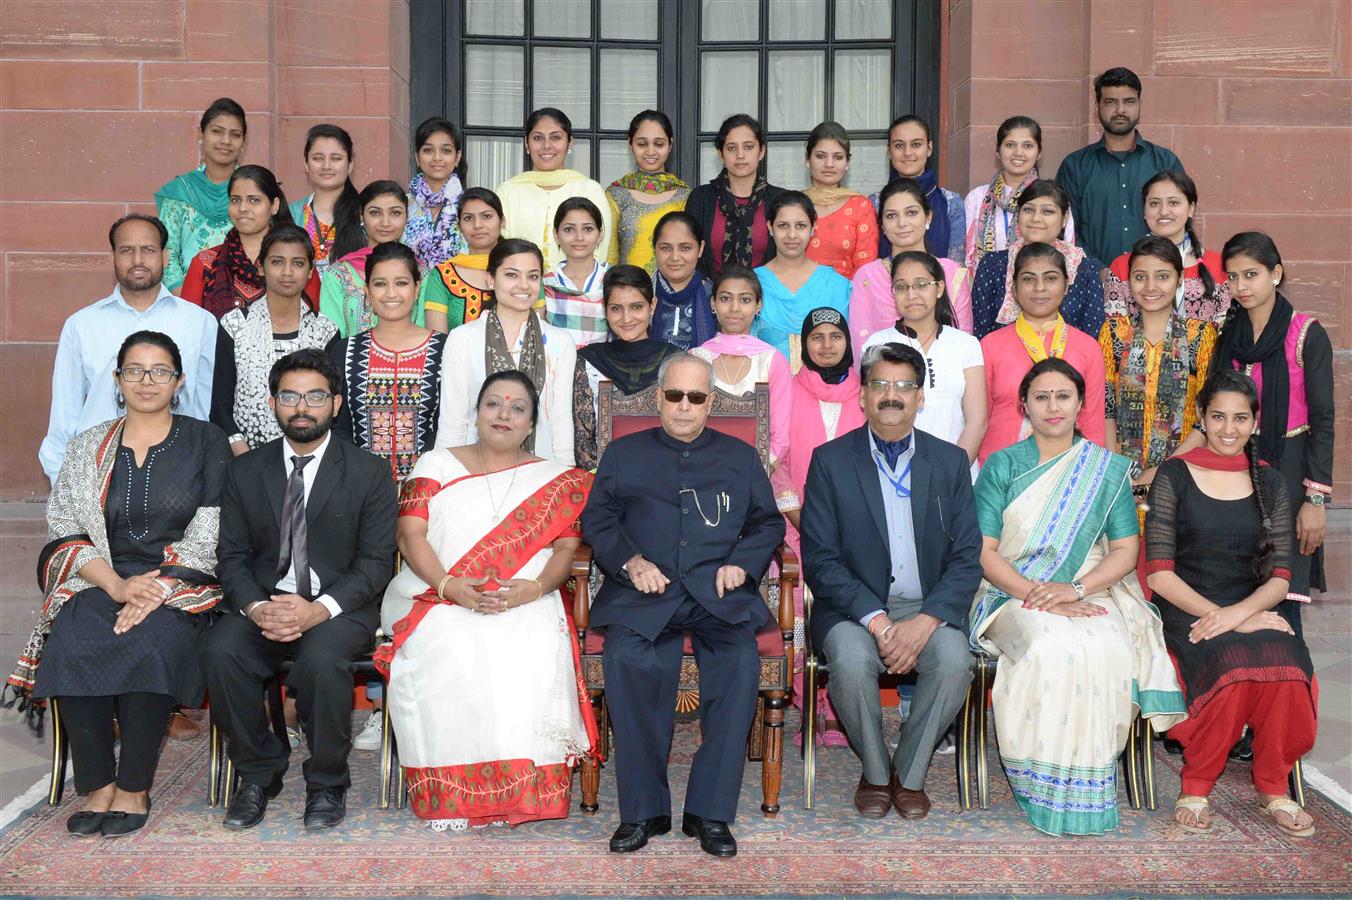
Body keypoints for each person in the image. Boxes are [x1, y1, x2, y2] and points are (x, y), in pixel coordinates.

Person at [7, 332, 229, 837]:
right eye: (134, 370)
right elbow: (65, 525)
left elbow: (214, 525)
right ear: (117, 379)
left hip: (181, 585)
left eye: (159, 371)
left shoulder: (205, 441)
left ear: (178, 381)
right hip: (100, 578)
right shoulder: (89, 445)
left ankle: (133, 785)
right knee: (73, 636)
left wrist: (155, 588)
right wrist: (115, 585)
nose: (146, 381)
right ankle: (97, 784)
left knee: (150, 641)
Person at [581, 353, 786, 857]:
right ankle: (643, 812)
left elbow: (768, 523)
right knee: (628, 660)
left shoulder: (739, 457)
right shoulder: (624, 453)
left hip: (718, 595)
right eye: (675, 396)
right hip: (644, 592)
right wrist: (631, 562)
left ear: (710, 402)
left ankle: (709, 814)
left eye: (697, 398)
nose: (685, 407)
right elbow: (597, 520)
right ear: (659, 398)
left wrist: (742, 562)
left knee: (738, 663)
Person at [970, 358, 1185, 836]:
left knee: (1106, 646)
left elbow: (1127, 550)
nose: (1052, 406)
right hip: (1010, 592)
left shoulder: (1105, 470)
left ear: (1081, 404)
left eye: (1063, 396)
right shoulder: (1001, 465)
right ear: (1024, 405)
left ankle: (1087, 782)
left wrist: (1075, 589)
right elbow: (984, 553)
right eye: (1041, 397)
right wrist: (1039, 594)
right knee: (1052, 646)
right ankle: (1040, 781)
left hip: (1091, 587)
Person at [376, 371, 597, 831]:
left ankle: (523, 791)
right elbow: (409, 534)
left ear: (531, 423)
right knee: (450, 643)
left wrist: (533, 590)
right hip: (436, 593)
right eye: (493, 404)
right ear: (476, 412)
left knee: (529, 642)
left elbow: (565, 551)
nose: (504, 415)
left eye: (518, 408)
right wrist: (449, 586)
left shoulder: (557, 479)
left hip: (529, 595)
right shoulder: (435, 464)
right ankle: (454, 791)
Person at [203, 348, 398, 831]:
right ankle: (257, 773)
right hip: (264, 603)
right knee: (220, 651)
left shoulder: (369, 472)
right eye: (290, 396)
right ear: (273, 403)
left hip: (339, 607)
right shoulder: (245, 471)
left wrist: (318, 610)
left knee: (322, 661)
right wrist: (254, 606)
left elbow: (375, 564)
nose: (302, 406)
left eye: (315, 395)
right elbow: (230, 556)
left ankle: (327, 783)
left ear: (335, 403)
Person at [801, 341, 982, 819]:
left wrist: (925, 621)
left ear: (921, 398)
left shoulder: (948, 463)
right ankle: (877, 771)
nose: (891, 395)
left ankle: (911, 772)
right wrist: (879, 622)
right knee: (851, 658)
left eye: (904, 386)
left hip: (929, 607)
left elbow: (967, 557)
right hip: (855, 609)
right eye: (880, 384)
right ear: (862, 396)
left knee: (952, 659)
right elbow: (821, 559)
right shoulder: (830, 461)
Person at [1145, 370, 1316, 838]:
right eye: (1217, 417)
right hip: (1186, 610)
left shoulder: (1272, 483)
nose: (1228, 429)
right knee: (1232, 664)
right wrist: (1224, 620)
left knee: (1286, 663)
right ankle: (1196, 786)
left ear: (1254, 421)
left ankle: (1273, 786)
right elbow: (1159, 573)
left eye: (1240, 418)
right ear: (1201, 417)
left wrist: (1240, 616)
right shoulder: (1174, 476)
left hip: (1252, 607)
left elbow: (1280, 578)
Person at [1211, 232, 1333, 635]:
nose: (1241, 287)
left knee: (1283, 604)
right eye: (1232, 278)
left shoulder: (1305, 334)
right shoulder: (1229, 335)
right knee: (1233, 590)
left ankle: (1289, 687)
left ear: (1276, 274)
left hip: (1289, 473)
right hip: (1233, 469)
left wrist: (1315, 499)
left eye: (1251, 274)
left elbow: (1323, 420)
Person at [40, 214, 217, 485]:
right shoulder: (82, 325)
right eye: (126, 250)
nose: (137, 260)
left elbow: (205, 409)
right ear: (113, 257)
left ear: (165, 256)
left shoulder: (199, 322)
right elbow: (65, 415)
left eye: (148, 250)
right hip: (99, 476)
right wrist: (64, 485)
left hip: (178, 477)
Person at [770, 308, 866, 746]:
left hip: (856, 531)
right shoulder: (788, 390)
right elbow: (778, 462)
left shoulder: (866, 392)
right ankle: (811, 704)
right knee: (795, 604)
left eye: (834, 336)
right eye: (816, 337)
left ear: (848, 342)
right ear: (804, 345)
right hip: (798, 529)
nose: (826, 345)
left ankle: (841, 708)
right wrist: (803, 519)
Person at [436, 239, 577, 465]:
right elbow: (454, 420)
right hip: (474, 472)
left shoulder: (560, 342)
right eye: (511, 275)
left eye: (532, 276)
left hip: (541, 472)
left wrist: (565, 473)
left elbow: (560, 418)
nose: (524, 285)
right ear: (491, 279)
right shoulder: (463, 338)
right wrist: (444, 474)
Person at [1100, 236, 1216, 506]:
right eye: (1140, 277)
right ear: (1129, 282)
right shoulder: (1115, 332)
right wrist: (1117, 468)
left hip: (1182, 473)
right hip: (1121, 476)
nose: (1150, 287)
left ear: (1179, 281)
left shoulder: (1199, 335)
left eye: (1162, 276)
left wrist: (1163, 470)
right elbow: (1105, 406)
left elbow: (1206, 416)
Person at [212, 225, 339, 455]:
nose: (287, 272)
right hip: (244, 460)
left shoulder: (325, 331)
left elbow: (331, 408)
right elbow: (220, 409)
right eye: (277, 262)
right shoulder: (234, 326)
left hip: (311, 458)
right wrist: (248, 459)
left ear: (310, 271)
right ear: (261, 266)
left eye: (298, 263)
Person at [978, 243, 1106, 464]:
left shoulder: (1088, 348)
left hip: (1068, 472)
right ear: (1014, 288)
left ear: (1066, 285)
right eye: (1028, 279)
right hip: (1002, 473)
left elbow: (1092, 425)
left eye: (1051, 278)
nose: (1039, 288)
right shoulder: (990, 346)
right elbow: (979, 420)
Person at [329, 241, 446, 479]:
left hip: (430, 488)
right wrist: (365, 482)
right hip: (360, 489)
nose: (391, 293)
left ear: (416, 289)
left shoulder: (445, 350)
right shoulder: (344, 351)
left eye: (401, 283)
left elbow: (451, 424)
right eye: (380, 284)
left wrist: (420, 480)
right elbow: (337, 427)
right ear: (367, 291)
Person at [863, 252, 987, 473]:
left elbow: (976, 421)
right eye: (901, 287)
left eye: (921, 285)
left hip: (956, 473)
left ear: (939, 288)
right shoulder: (878, 344)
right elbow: (873, 415)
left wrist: (953, 473)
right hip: (894, 473)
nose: (911, 294)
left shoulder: (965, 344)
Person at [1056, 67, 1185, 266]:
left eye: (1129, 101)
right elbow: (1065, 228)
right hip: (1093, 285)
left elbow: (1179, 223)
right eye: (1110, 102)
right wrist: (1096, 270)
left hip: (1155, 283)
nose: (1120, 110)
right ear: (1096, 106)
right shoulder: (1075, 166)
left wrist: (1153, 270)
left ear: (1139, 105)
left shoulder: (1164, 162)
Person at [572, 265, 681, 470]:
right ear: (605, 310)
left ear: (653, 305)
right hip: (606, 481)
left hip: (667, 479)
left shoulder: (676, 362)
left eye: (636, 307)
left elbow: (685, 430)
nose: (626, 318)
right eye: (616, 308)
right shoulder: (589, 361)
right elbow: (584, 444)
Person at [971, 179, 1104, 340]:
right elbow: (981, 333)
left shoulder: (1083, 268)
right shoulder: (993, 265)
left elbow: (1091, 336)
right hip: (1005, 361)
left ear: (1064, 218)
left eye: (1047, 211)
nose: (1036, 218)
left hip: (1068, 362)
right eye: (1028, 209)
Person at [180, 165, 320, 318]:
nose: (243, 208)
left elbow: (311, 323)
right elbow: (188, 327)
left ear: (275, 206)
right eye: (235, 200)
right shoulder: (205, 262)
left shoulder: (297, 262)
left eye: (254, 200)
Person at [690, 264, 791, 467]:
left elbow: (780, 436)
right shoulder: (696, 360)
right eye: (725, 299)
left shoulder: (772, 361)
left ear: (758, 306)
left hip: (759, 470)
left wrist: (756, 474)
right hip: (700, 466)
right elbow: (686, 422)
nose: (734, 308)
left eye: (745, 300)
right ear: (713, 303)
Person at [852, 178, 973, 341]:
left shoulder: (951, 273)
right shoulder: (868, 276)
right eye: (891, 215)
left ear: (928, 217)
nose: (902, 223)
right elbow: (861, 344)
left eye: (911, 213)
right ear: (882, 226)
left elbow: (964, 342)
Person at [1103, 171, 1230, 325]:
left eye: (1173, 203)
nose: (1163, 211)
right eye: (1154, 203)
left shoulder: (1220, 265)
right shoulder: (1121, 267)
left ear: (1191, 208)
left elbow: (1227, 334)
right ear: (1144, 210)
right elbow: (1115, 333)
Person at [497, 107, 612, 271]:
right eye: (538, 138)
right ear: (526, 144)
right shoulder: (507, 192)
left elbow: (600, 248)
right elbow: (500, 248)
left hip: (579, 291)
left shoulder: (589, 189)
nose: (546, 146)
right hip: (521, 289)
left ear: (569, 142)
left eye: (556, 137)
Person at [156, 98, 247, 292]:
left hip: (245, 301)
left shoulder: (254, 191)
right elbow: (167, 254)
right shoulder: (179, 191)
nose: (226, 141)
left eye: (235, 135)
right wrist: (187, 301)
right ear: (201, 134)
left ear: (243, 142)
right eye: (217, 131)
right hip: (188, 303)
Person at [753, 192, 851, 368]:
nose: (792, 235)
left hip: (824, 391)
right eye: (783, 226)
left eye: (801, 226)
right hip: (767, 389)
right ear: (770, 227)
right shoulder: (752, 283)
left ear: (813, 228)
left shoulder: (837, 286)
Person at [963, 115, 1076, 269]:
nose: (1018, 153)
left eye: (1027, 146)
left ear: (1039, 153)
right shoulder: (977, 198)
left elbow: (1068, 251)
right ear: (998, 151)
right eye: (1010, 145)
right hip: (986, 285)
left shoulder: (1053, 199)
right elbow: (969, 257)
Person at [686, 114, 785, 277]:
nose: (740, 155)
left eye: (748, 147)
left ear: (761, 152)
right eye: (731, 148)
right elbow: (690, 255)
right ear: (720, 154)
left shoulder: (779, 200)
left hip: (766, 297)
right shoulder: (701, 198)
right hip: (711, 297)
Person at [318, 180, 413, 338]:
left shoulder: (421, 274)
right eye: (375, 213)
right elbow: (331, 339)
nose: (385, 222)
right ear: (361, 215)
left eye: (395, 213)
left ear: (406, 217)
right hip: (348, 361)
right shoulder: (337, 275)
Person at [606, 110, 691, 274]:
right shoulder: (616, 194)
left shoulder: (686, 196)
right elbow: (609, 257)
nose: (650, 152)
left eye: (659, 144)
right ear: (630, 145)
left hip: (675, 293)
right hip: (627, 291)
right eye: (642, 144)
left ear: (670, 145)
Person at [869, 115, 964, 262]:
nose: (907, 153)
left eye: (916, 145)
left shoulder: (950, 203)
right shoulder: (874, 203)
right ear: (889, 151)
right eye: (899, 145)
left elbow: (956, 267)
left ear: (929, 148)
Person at [421, 187, 503, 332]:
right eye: (468, 218)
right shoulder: (443, 275)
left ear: (502, 222)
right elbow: (438, 340)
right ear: (459, 226)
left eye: (486, 216)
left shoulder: (523, 269)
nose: (477, 225)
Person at [802, 121, 877, 279]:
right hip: (797, 296)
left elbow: (865, 268)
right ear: (807, 158)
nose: (829, 164)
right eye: (820, 156)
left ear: (847, 163)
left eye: (838, 157)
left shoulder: (860, 206)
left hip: (846, 298)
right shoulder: (793, 204)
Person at [288, 124, 362, 274]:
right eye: (318, 158)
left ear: (350, 165)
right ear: (306, 165)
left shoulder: (364, 214)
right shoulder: (292, 214)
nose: (326, 166)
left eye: (336, 158)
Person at [543, 196, 610, 347]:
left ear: (599, 234)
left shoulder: (613, 279)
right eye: (569, 229)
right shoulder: (545, 284)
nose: (579, 237)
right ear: (556, 235)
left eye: (587, 229)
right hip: (557, 368)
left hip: (604, 367)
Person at [405, 116, 467, 272]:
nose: (437, 158)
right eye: (428, 150)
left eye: (446, 150)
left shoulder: (470, 205)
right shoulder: (401, 205)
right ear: (417, 158)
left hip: (457, 293)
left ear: (457, 158)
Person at [651, 211, 717, 350]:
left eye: (685, 248)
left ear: (701, 248)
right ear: (654, 249)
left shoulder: (715, 296)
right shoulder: (641, 293)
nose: (675, 257)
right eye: (665, 248)